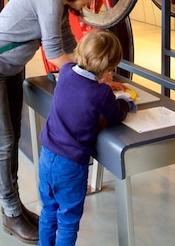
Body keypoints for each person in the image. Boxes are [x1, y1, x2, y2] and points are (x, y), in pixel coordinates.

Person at [0, 0, 102, 244]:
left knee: (15, 137)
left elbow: (70, 45)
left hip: (12, 70)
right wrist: (90, 81)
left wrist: (96, 67)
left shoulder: (60, 4)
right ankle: (10, 212)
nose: (91, 2)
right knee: (4, 142)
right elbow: (55, 52)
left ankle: (15, 207)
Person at [37, 30, 134, 246]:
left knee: (49, 210)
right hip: (70, 165)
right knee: (68, 221)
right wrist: (126, 102)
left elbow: (81, 89)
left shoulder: (67, 71)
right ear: (109, 68)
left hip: (47, 156)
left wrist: (103, 83)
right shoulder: (101, 94)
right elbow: (115, 115)